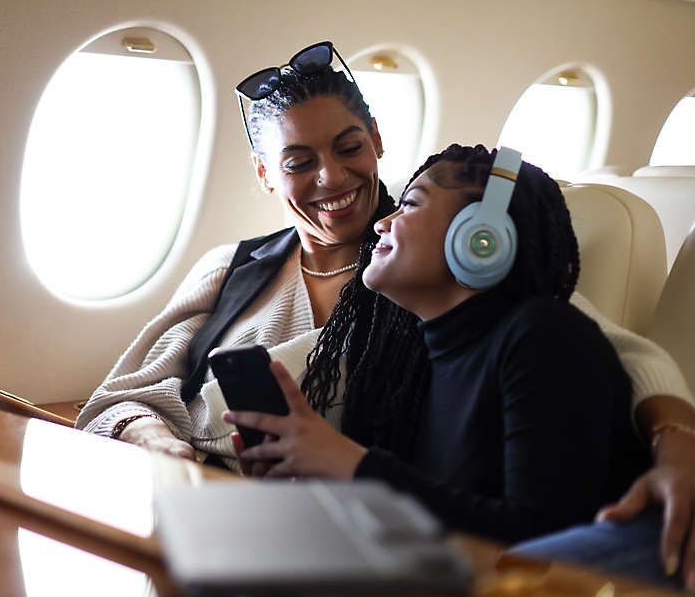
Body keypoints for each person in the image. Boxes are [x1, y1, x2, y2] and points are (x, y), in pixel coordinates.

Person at [76, 42, 695, 584]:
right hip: (190, 509)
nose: (331, 176)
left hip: (319, 535)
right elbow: (120, 396)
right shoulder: (232, 268)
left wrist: (677, 441)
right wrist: (156, 440)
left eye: (349, 147)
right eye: (298, 162)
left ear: (376, 139)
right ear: (267, 174)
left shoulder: (442, 274)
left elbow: (614, 350)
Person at [227, 144, 646, 539]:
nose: (381, 223)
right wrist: (316, 485)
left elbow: (541, 536)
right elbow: (443, 511)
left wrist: (352, 464)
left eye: (410, 204)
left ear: (481, 237)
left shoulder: (545, 337)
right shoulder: (419, 361)